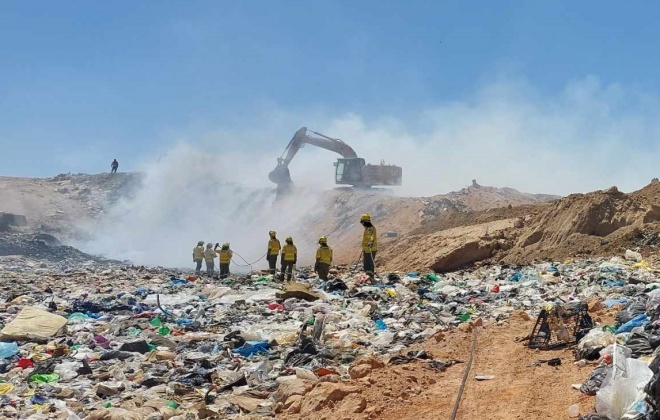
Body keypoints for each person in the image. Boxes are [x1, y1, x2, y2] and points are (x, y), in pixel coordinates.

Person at [360, 213, 378, 280]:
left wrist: (371, 242)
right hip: (366, 249)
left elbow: (372, 237)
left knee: (370, 264)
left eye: (362, 222)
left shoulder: (371, 228)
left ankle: (371, 277)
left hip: (371, 249)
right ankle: (367, 276)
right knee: (366, 264)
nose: (362, 224)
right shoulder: (367, 229)